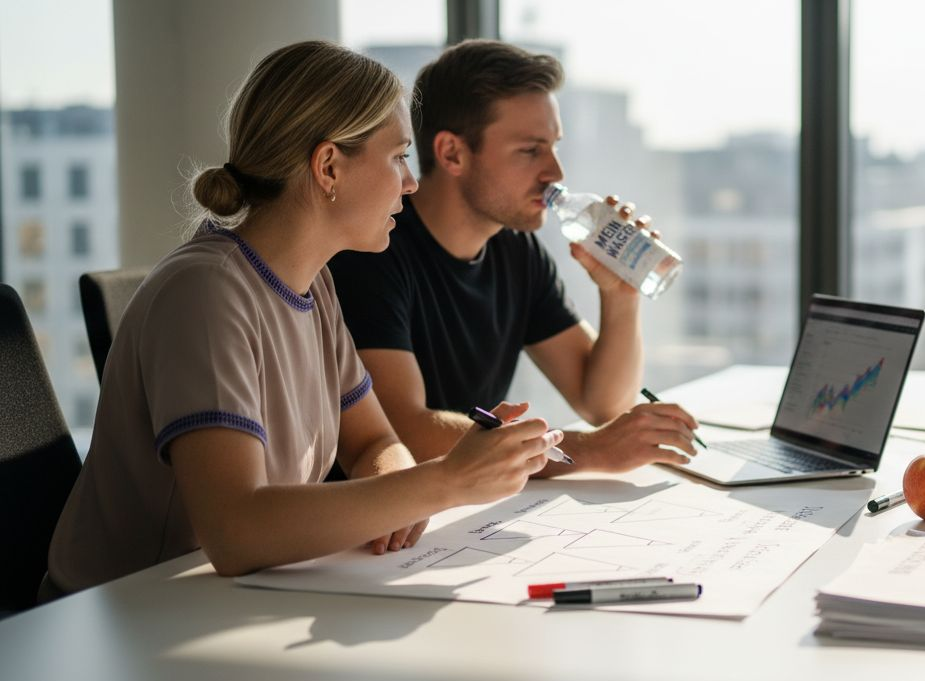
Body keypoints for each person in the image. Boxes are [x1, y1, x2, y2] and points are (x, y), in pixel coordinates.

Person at [43, 41, 560, 598]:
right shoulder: (206, 292)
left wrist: (400, 487)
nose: (410, 183)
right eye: (397, 158)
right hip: (123, 619)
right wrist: (445, 482)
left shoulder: (314, 286)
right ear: (329, 166)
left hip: (221, 605)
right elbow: (236, 530)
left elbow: (370, 442)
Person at [328, 40, 698, 477]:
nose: (555, 173)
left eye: (554, 146)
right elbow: (403, 428)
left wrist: (620, 294)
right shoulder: (375, 247)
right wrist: (588, 451)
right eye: (530, 150)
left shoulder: (514, 249)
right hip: (378, 529)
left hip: (465, 508)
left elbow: (602, 404)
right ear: (452, 154)